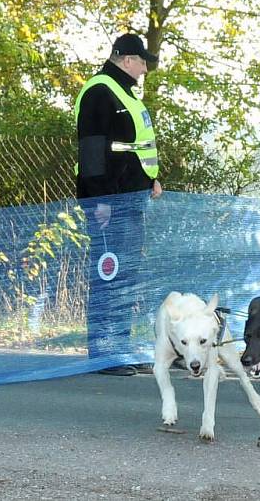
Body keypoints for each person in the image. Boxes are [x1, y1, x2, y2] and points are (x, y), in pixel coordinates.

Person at [74, 33, 163, 375]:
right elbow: (93, 150)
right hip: (109, 202)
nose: (144, 68)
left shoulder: (125, 93)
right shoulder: (100, 91)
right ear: (127, 59)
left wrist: (150, 178)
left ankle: (121, 347)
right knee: (108, 272)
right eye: (142, 62)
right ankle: (103, 350)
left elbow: (135, 146)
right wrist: (101, 200)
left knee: (126, 275)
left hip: (132, 197)